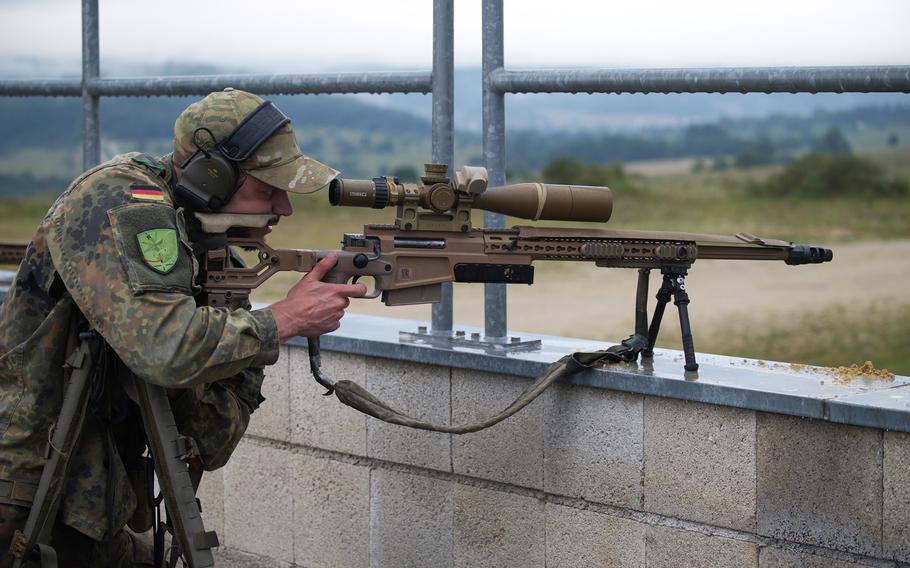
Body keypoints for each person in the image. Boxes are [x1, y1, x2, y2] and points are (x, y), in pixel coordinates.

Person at [0, 88, 366, 566]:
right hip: (26, 495)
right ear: (210, 177)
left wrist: (240, 332)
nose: (285, 208)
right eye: (267, 189)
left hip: (90, 503)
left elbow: (213, 441)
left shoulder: (213, 251)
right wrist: (284, 320)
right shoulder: (120, 199)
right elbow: (165, 349)